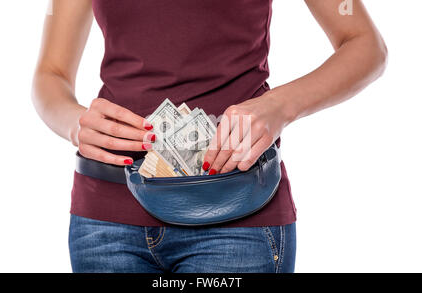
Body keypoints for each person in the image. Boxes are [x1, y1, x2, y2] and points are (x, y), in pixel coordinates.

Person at [32, 0, 387, 273]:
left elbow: (365, 44)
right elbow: (51, 73)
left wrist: (279, 105)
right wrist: (74, 123)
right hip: (104, 219)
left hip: (235, 215)